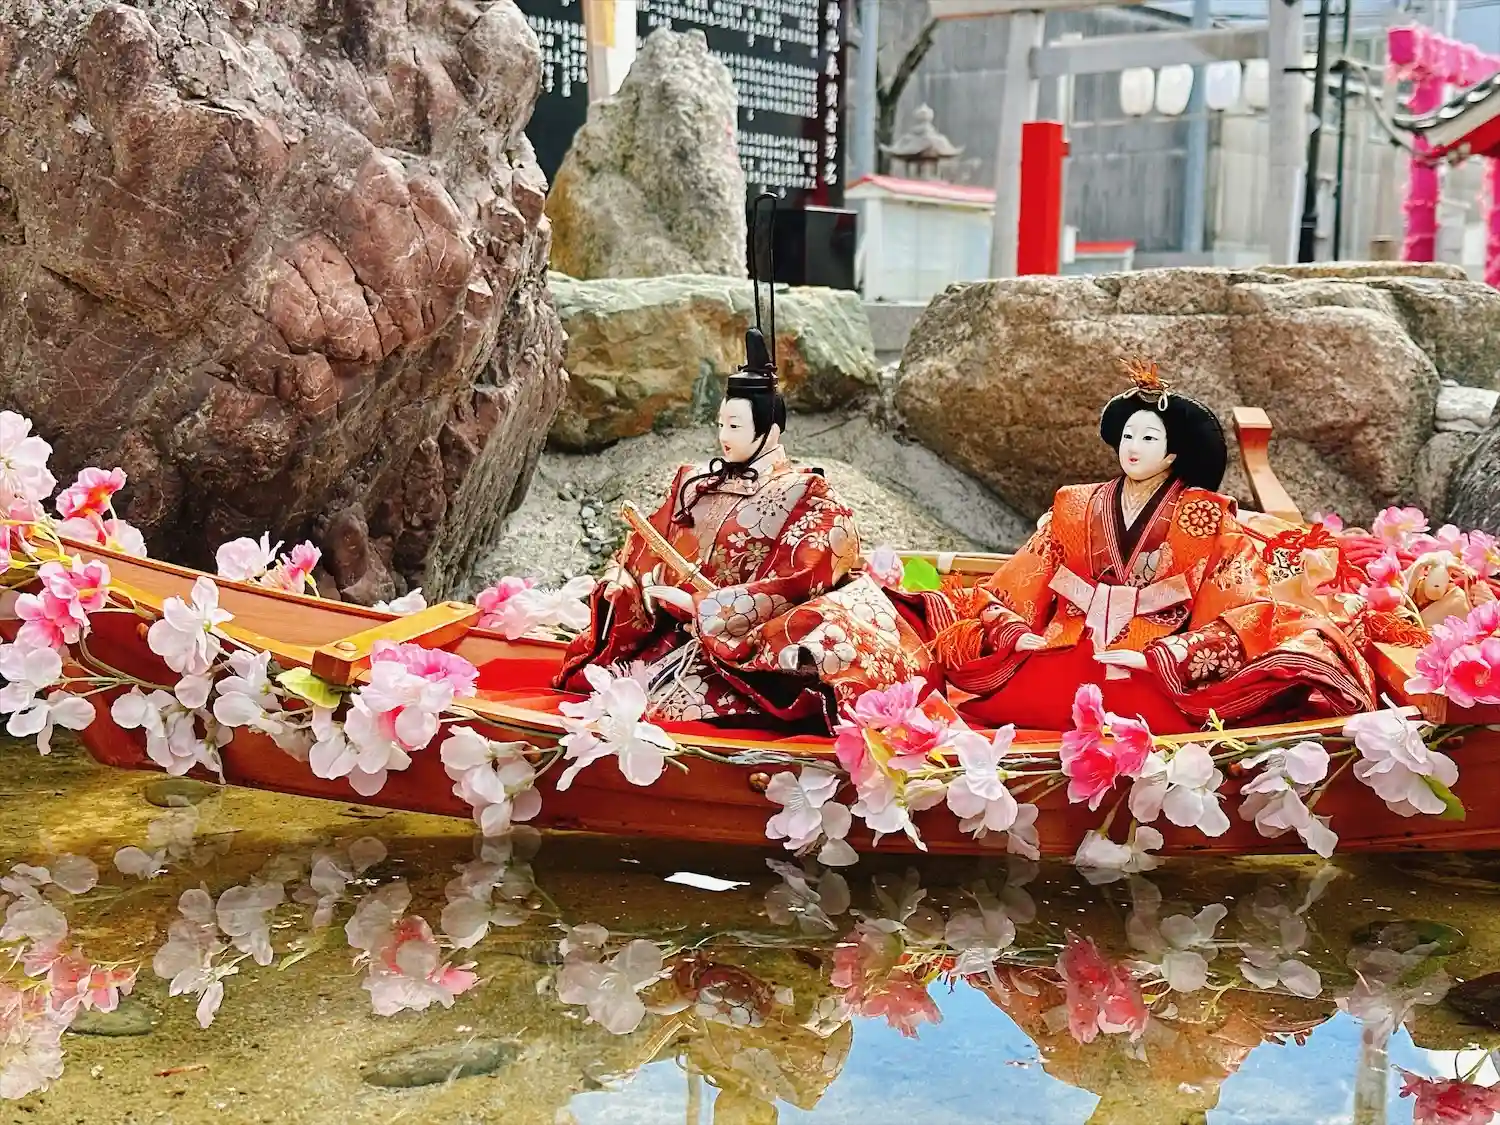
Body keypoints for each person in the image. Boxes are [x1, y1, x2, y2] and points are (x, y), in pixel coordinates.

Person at [911, 360, 1375, 733]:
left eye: (1149, 438)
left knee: (1158, 711)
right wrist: (1014, 630)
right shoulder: (1074, 504)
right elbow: (1021, 577)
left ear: (1173, 453)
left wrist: (1163, 657)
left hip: (1153, 657)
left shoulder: (1206, 516)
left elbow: (1242, 606)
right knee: (1020, 697)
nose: (1133, 446)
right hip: (1068, 644)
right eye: (1128, 435)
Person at [555, 326, 932, 730]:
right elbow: (641, 552)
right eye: (720, 425)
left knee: (688, 707)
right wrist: (626, 584)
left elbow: (807, 575)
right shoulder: (693, 482)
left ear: (770, 429)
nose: (723, 437)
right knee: (622, 696)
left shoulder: (806, 492)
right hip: (671, 638)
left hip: (752, 649)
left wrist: (708, 607)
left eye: (734, 427)